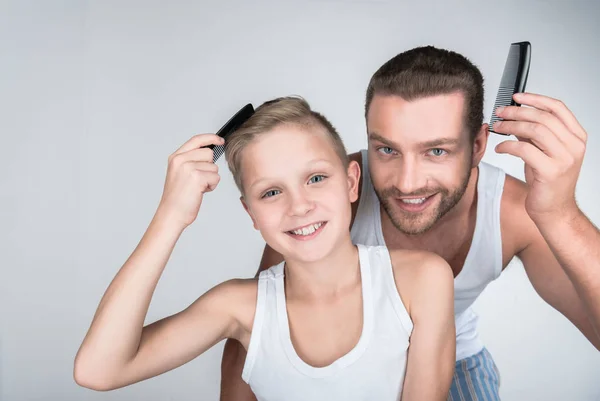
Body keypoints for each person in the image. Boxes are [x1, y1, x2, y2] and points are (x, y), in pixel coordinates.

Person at [220, 46, 600, 401]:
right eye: (387, 150)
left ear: (478, 147)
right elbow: (259, 330)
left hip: (457, 364)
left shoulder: (515, 213)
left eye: (436, 151)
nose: (407, 182)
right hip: (349, 364)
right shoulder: (325, 196)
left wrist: (560, 214)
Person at [73, 96, 456, 400]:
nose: (299, 205)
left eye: (316, 178)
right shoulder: (238, 306)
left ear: (352, 182)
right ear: (250, 212)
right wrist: (171, 216)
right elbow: (99, 371)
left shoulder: (420, 280)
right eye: (271, 192)